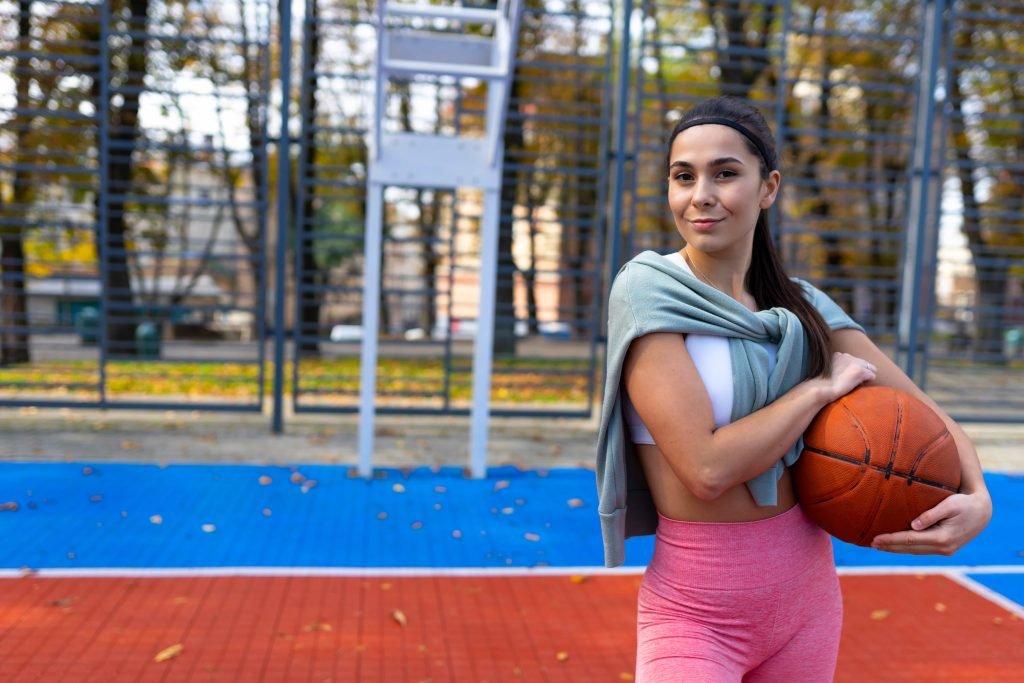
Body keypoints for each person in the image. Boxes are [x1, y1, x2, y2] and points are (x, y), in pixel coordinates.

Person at [595, 95, 992, 682]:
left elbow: (924, 414)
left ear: (768, 188)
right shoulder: (650, 293)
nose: (700, 193)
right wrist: (816, 392)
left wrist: (979, 496)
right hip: (697, 610)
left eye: (725, 173)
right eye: (683, 176)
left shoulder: (803, 308)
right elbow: (705, 470)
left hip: (805, 600)